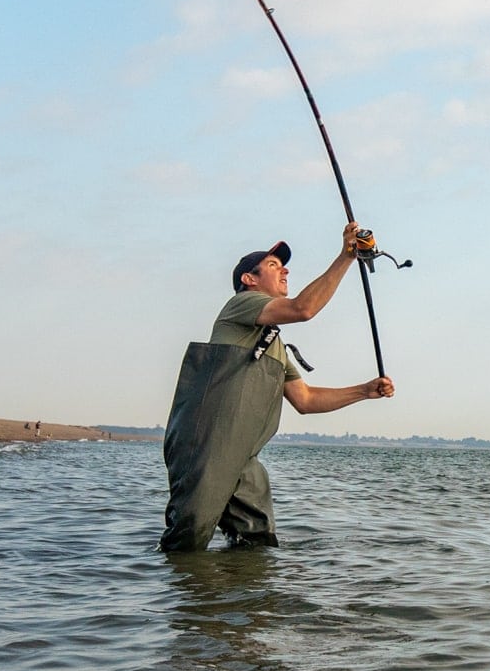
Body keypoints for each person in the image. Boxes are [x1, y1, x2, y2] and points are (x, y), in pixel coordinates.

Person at [160, 223, 395, 552]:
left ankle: (247, 602)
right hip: (205, 447)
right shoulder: (240, 305)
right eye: (273, 265)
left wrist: (364, 391)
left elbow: (306, 399)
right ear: (249, 279)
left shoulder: (274, 343)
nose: (284, 269)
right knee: (187, 539)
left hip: (243, 457)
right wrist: (345, 257)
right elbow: (304, 309)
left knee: (257, 542)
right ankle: (174, 598)